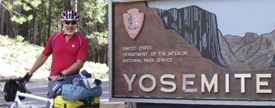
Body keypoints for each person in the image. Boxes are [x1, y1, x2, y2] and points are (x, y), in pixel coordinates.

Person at [22, 9, 88, 97]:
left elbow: (79, 64)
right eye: (67, 22)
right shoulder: (54, 38)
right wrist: (29, 74)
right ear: (62, 23)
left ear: (77, 24)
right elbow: (43, 57)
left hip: (72, 81)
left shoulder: (82, 41)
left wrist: (62, 74)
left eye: (73, 22)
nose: (70, 25)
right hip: (54, 81)